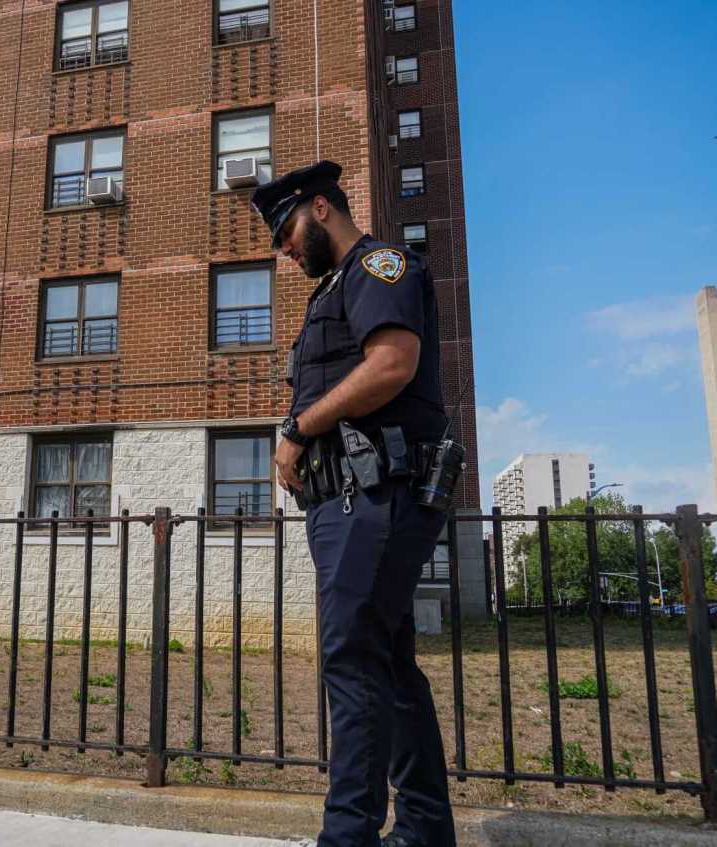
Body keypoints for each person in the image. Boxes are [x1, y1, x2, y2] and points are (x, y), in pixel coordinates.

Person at [251, 161, 456, 847]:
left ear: (321, 207)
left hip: (377, 495)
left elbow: (393, 362)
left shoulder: (380, 266)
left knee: (352, 661)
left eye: (286, 231)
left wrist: (297, 429)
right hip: (346, 500)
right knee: (387, 665)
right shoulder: (334, 289)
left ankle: (346, 838)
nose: (283, 249)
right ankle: (425, 831)